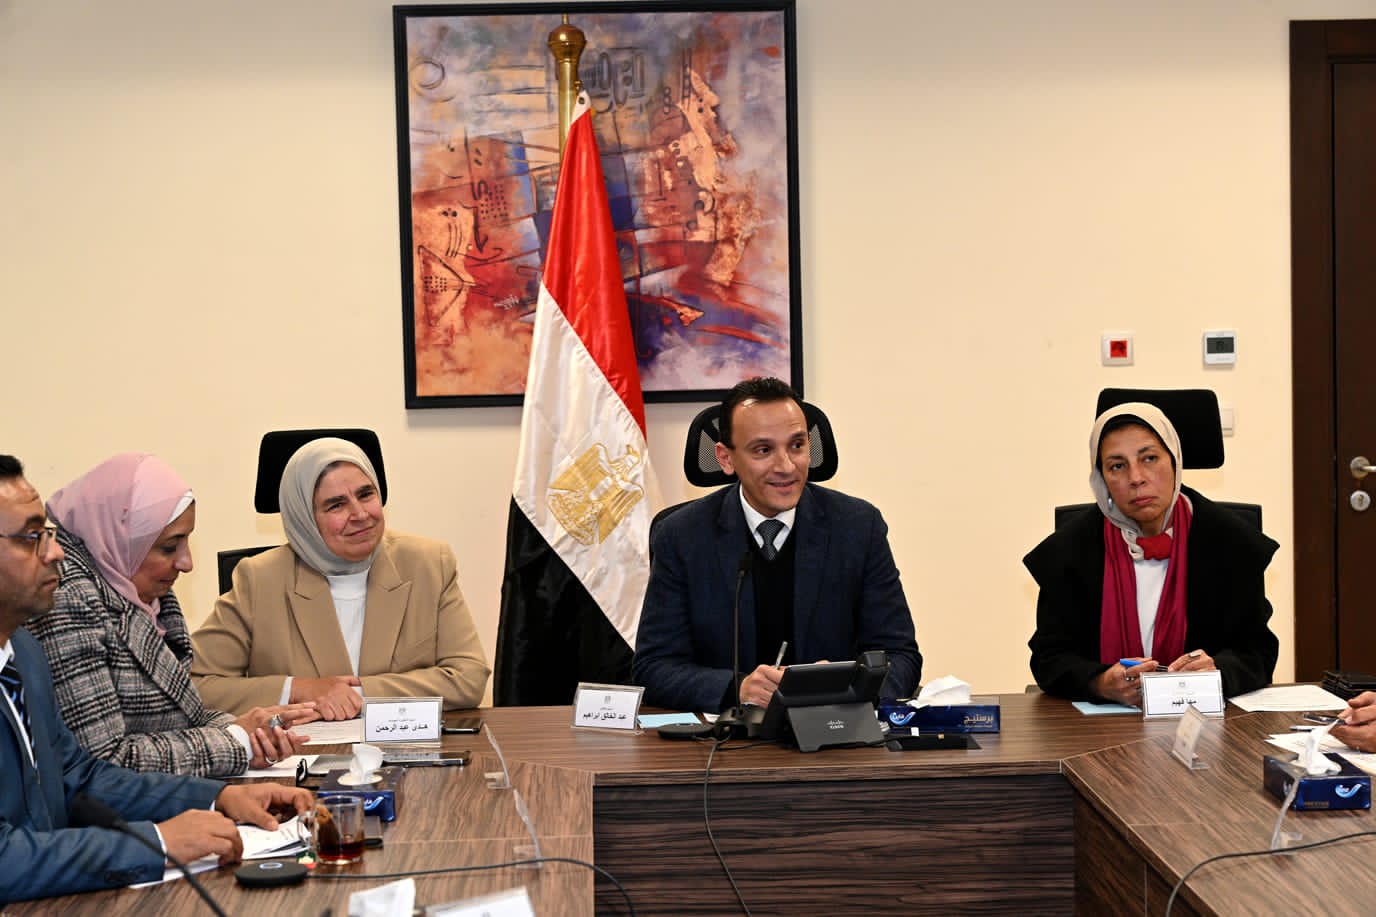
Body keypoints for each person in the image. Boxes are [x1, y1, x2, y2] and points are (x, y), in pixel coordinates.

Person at [0, 454, 313, 903]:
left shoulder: (23, 653)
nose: (56, 552)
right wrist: (157, 843)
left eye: (47, 533)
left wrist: (217, 798)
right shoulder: (60, 615)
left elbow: (80, 777)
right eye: (32, 537)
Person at [632, 377, 922, 713]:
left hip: (832, 733)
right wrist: (737, 688)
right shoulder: (681, 536)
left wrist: (848, 683)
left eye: (797, 445)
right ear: (726, 458)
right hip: (726, 736)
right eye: (763, 450)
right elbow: (653, 668)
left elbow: (901, 656)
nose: (786, 466)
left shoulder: (858, 527)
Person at [26, 453, 314, 778]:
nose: (186, 563)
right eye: (169, 546)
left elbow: (185, 717)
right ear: (123, 538)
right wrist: (236, 741)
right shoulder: (67, 598)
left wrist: (250, 728)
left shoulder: (132, 582)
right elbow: (102, 761)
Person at [192, 437, 489, 718]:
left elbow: (468, 677)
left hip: (406, 745)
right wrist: (298, 690)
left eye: (366, 494)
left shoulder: (428, 563)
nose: (360, 514)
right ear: (304, 518)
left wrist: (359, 694)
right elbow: (195, 684)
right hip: (300, 749)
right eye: (336, 504)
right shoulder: (260, 580)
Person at [1024, 402, 1279, 704]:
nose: (1136, 478)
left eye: (1149, 458)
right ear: (1101, 479)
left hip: (1205, 720)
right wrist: (1099, 682)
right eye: (1117, 466)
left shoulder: (1232, 543)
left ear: (1174, 462)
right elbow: (1049, 658)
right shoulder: (1068, 551)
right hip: (1104, 724)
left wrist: (1218, 672)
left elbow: (1257, 652)